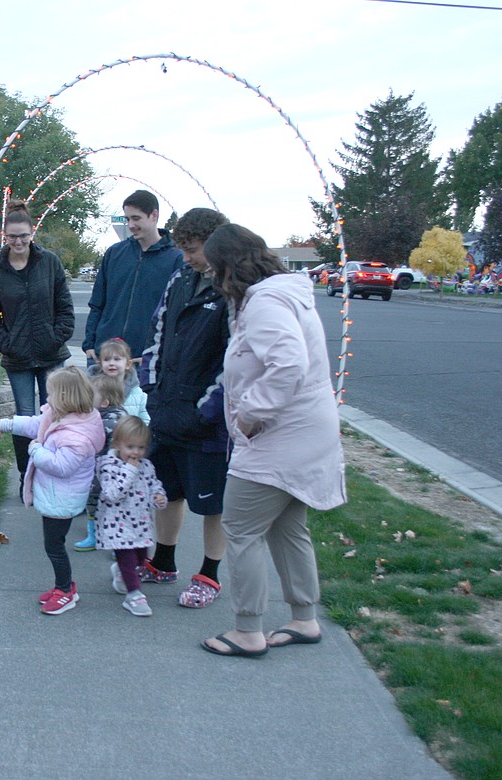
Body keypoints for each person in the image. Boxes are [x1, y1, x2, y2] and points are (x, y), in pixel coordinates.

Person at [198, 224, 346, 658]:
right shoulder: (284, 294)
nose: (213, 279)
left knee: (240, 528)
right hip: (306, 431)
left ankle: (248, 631)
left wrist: (250, 413)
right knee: (288, 526)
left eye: (214, 270)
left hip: (282, 434)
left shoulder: (265, 302)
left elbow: (286, 363)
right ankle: (304, 618)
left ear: (229, 265)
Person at [138, 207, 231, 609]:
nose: (186, 256)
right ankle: (163, 560)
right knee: (167, 493)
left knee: (213, 503)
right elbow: (156, 332)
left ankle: (209, 575)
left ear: (215, 244)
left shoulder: (233, 290)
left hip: (206, 424)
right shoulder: (180, 278)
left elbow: (235, 362)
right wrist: (152, 388)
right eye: (182, 248)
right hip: (166, 411)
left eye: (192, 249)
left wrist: (205, 410)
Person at [0, 367, 105, 615]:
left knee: (54, 547)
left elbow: (61, 466)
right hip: (55, 495)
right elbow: (37, 423)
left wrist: (35, 450)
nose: (47, 398)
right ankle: (62, 586)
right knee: (53, 544)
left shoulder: (77, 437)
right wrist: (6, 424)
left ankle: (66, 591)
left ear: (65, 397)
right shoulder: (63, 415)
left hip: (62, 499)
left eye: (51, 393)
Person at [0, 200, 75, 482]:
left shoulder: (49, 262)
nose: (19, 241)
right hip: (17, 357)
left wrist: (56, 337)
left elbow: (65, 306)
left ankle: (55, 470)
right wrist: (6, 343)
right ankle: (27, 473)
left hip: (51, 355)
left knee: (56, 414)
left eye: (23, 235)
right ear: (5, 237)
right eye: (13, 236)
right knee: (24, 417)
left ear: (32, 233)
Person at [82, 189, 183, 362]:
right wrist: (90, 344)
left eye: (136, 218)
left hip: (144, 359)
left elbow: (176, 315)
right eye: (127, 219)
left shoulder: (176, 258)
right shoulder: (115, 253)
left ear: (154, 215)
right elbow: (98, 302)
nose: (130, 225)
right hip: (104, 357)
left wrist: (158, 353)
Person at [95, 416, 168, 617]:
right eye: (130, 447)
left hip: (140, 522)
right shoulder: (108, 465)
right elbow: (111, 493)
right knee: (127, 559)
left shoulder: (146, 466)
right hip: (117, 524)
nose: (136, 453)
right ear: (117, 444)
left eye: (141, 447)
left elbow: (153, 484)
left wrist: (158, 497)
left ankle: (121, 573)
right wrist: (129, 470)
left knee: (141, 557)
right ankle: (134, 595)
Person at [76, 373, 129, 552]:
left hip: (104, 475)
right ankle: (96, 535)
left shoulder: (107, 423)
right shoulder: (112, 417)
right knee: (96, 505)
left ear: (104, 402)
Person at [88, 338, 149, 422]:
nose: (111, 363)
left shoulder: (138, 393)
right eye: (106, 359)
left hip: (129, 433)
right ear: (100, 365)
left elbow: (145, 420)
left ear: (128, 364)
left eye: (117, 359)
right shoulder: (91, 389)